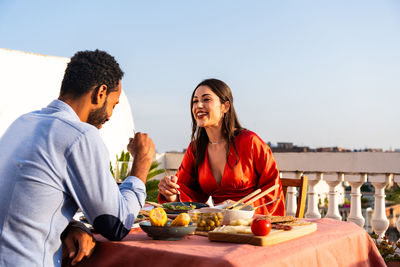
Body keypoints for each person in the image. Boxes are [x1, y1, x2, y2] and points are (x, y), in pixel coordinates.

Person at [0, 50, 155, 266]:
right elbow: (116, 225)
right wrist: (142, 162)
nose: (110, 115)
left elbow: (26, 204)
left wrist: (70, 225)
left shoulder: (22, 123)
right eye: (114, 104)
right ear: (100, 93)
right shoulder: (79, 135)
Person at [158, 78, 285, 215]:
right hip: (217, 224)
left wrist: (240, 207)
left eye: (206, 99)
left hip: (252, 221)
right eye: (195, 101)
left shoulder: (249, 141)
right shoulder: (196, 148)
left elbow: (274, 190)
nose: (198, 105)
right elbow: (186, 190)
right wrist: (172, 194)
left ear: (225, 107)